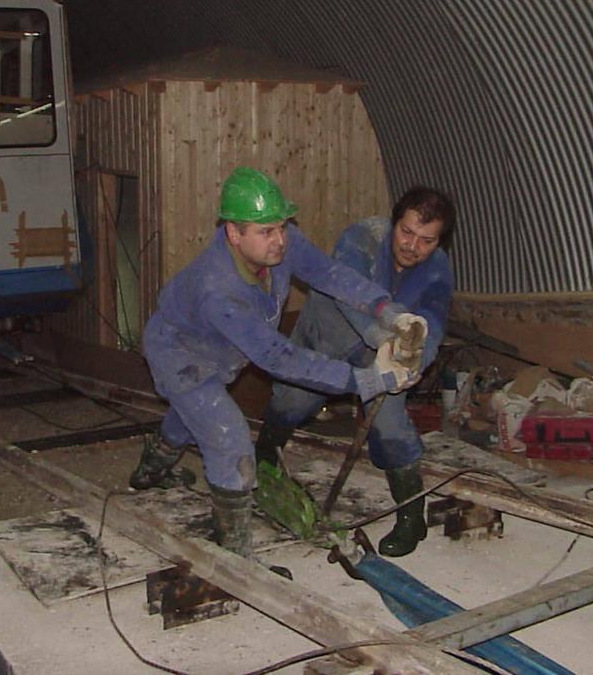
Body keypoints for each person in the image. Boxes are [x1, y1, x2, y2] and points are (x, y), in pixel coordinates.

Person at [129, 167, 426, 562]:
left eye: (282, 227)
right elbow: (278, 358)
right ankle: (235, 557)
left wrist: (388, 311)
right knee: (227, 436)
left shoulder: (276, 244)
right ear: (234, 233)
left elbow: (328, 273)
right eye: (266, 231)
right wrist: (367, 379)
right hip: (179, 354)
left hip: (219, 346)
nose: (280, 239)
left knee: (191, 416)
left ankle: (150, 471)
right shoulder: (217, 289)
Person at [255, 187, 456, 557]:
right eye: (406, 232)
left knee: (393, 426)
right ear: (394, 221)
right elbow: (351, 296)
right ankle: (263, 467)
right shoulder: (361, 238)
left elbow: (434, 319)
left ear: (440, 241)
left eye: (427, 241)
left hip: (383, 354)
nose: (413, 246)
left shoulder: (438, 268)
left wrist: (417, 359)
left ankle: (412, 515)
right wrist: (383, 336)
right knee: (290, 403)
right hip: (326, 339)